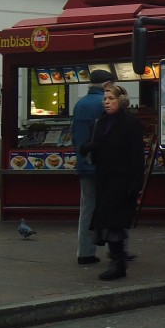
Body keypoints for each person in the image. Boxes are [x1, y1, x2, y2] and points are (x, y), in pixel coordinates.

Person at [82, 82, 145, 280]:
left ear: (121, 101)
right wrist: (89, 147)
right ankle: (117, 261)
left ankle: (117, 263)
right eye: (105, 99)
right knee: (107, 221)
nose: (107, 103)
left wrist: (136, 182)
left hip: (122, 179)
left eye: (111, 99)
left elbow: (136, 154)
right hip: (105, 178)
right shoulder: (100, 122)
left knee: (114, 222)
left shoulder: (130, 123)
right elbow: (97, 145)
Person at [70, 69, 111, 265]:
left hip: (83, 164)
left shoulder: (80, 105)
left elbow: (74, 136)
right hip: (103, 165)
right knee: (113, 205)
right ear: (106, 85)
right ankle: (116, 248)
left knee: (87, 207)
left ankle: (85, 252)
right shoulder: (105, 104)